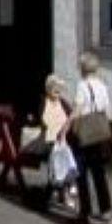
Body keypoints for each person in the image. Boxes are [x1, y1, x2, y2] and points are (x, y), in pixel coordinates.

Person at [69, 51, 112, 224]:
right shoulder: (103, 86)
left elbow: (78, 109)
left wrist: (67, 125)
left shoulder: (82, 86)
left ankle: (85, 211)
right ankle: (106, 210)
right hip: (100, 132)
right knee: (99, 173)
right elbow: (106, 109)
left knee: (81, 173)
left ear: (82, 68)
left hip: (85, 133)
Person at [32, 74, 78, 215]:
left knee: (65, 164)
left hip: (62, 142)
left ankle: (64, 192)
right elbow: (42, 119)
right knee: (58, 167)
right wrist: (49, 125)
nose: (57, 94)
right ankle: (63, 193)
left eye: (59, 91)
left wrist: (66, 127)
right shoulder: (43, 102)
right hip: (49, 141)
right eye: (55, 91)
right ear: (48, 90)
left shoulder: (63, 103)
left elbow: (72, 116)